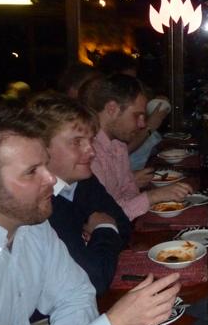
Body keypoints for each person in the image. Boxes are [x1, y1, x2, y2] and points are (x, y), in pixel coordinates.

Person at [0, 105, 180, 325]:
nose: (50, 179)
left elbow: (76, 293)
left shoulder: (32, 226)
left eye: (45, 164)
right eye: (32, 171)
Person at [28, 93, 131, 295]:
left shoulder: (84, 182)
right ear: (41, 148)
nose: (91, 151)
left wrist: (96, 242)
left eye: (91, 140)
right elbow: (93, 280)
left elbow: (124, 226)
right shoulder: (38, 204)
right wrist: (104, 227)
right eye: (77, 142)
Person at [80, 74, 191, 221]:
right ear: (112, 109)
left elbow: (130, 190)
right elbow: (104, 217)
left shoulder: (118, 145)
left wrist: (146, 199)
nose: (142, 124)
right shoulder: (88, 153)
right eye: (137, 115)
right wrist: (153, 196)